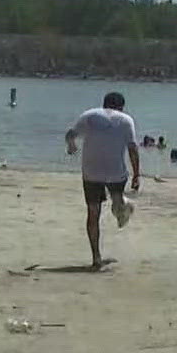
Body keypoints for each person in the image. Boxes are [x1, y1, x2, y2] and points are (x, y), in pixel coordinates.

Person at [66, 91, 141, 269]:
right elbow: (132, 148)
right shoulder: (125, 119)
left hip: (91, 171)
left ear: (103, 104)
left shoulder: (89, 115)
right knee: (117, 202)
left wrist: (72, 147)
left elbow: (70, 134)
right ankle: (123, 203)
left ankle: (96, 258)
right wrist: (137, 174)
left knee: (93, 214)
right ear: (121, 107)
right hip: (115, 171)